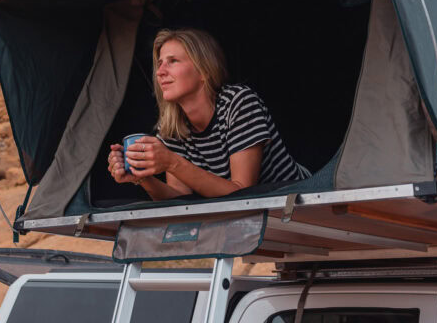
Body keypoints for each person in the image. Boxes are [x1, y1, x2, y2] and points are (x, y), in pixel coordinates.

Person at [108, 27, 310, 201]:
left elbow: (244, 194)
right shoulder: (171, 126)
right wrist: (141, 177)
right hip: (249, 219)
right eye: (160, 63)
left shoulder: (238, 103)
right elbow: (180, 199)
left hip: (302, 205)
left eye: (173, 61)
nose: (160, 72)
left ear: (203, 70)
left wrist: (170, 161)